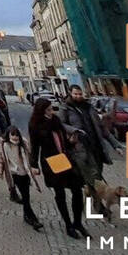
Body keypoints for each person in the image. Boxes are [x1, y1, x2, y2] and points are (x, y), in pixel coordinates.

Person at [29, 97, 88, 239]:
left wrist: (71, 142)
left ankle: (78, 222)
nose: (51, 112)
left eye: (51, 109)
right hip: (51, 161)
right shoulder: (36, 125)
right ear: (41, 111)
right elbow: (35, 146)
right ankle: (68, 224)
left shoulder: (56, 121)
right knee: (60, 193)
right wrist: (33, 165)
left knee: (77, 190)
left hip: (65, 158)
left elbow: (62, 139)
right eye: (48, 110)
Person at [60, 85, 123, 183]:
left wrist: (115, 145)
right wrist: (74, 130)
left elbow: (101, 127)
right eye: (75, 94)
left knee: (97, 174)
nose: (78, 96)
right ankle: (93, 196)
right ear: (70, 93)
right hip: (80, 147)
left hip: (96, 146)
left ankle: (94, 196)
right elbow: (62, 124)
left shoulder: (88, 107)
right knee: (92, 178)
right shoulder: (66, 108)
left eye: (80, 94)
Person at [0, 126, 44, 232]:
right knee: (25, 197)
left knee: (26, 196)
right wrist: (0, 171)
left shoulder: (23, 145)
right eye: (13, 135)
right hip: (15, 174)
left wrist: (34, 168)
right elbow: (1, 159)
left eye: (17, 135)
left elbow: (31, 157)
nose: (15, 137)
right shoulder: (4, 146)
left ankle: (26, 216)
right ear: (8, 136)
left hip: (25, 174)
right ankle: (33, 220)